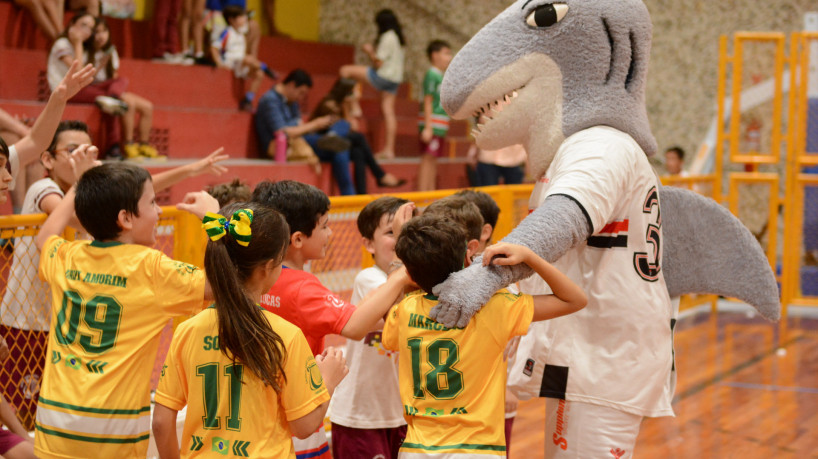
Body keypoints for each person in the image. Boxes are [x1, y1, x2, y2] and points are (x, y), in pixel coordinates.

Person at [31, 161, 220, 458]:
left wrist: (80, 185)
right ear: (125, 218)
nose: (159, 211)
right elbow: (220, 283)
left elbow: (45, 237)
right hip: (112, 437)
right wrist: (214, 218)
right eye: (153, 202)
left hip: (53, 430)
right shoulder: (151, 268)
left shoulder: (67, 255)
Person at [152, 201, 349, 457]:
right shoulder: (284, 335)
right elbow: (304, 426)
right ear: (267, 267)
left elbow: (160, 422)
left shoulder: (187, 330)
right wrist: (328, 381)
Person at [382, 214, 587, 457]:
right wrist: (531, 256)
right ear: (468, 260)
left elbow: (391, 330)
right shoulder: (495, 307)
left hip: (417, 449)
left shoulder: (405, 311)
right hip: (478, 449)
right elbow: (575, 299)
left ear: (412, 275)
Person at [251, 180, 413, 458]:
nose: (331, 233)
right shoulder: (302, 287)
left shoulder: (256, 276)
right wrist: (401, 272)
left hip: (258, 417)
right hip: (299, 420)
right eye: (325, 226)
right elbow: (356, 325)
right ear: (298, 239)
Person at [330, 197, 410, 459]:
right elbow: (396, 306)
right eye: (392, 232)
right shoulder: (369, 278)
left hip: (401, 414)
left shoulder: (415, 282)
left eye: (407, 231)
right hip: (360, 416)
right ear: (368, 244)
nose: (401, 240)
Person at [0, 60, 94, 212]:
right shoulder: (45, 189)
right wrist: (81, 182)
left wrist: (58, 99)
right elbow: (74, 219)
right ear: (48, 160)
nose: (9, 177)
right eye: (71, 150)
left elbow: (36, 141)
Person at [255, 70, 356, 195]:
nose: (301, 97)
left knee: (341, 140)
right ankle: (349, 195)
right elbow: (283, 132)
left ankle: (333, 136)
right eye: (301, 92)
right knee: (341, 147)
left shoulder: (291, 101)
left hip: (301, 140)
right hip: (286, 146)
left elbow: (299, 125)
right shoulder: (270, 100)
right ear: (292, 85)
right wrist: (315, 124)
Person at [47, 12, 131, 159]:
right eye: (83, 25)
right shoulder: (63, 44)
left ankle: (113, 99)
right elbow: (78, 73)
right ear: (72, 24)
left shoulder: (86, 48)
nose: (86, 31)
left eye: (90, 28)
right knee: (108, 104)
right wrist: (78, 43)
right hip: (66, 91)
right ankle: (113, 147)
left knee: (121, 82)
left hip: (81, 88)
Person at [87, 17, 163, 160]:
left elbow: (114, 77)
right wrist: (100, 65)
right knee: (129, 103)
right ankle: (128, 145)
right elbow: (87, 79)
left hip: (111, 89)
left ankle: (144, 145)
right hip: (96, 89)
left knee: (148, 106)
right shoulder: (87, 52)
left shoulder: (111, 52)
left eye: (104, 31)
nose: (101, 36)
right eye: (97, 32)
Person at [311, 78, 405, 194]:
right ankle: (380, 175)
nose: (357, 94)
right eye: (355, 91)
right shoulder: (329, 103)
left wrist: (352, 104)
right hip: (323, 143)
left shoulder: (345, 103)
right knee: (358, 137)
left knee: (358, 153)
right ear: (347, 92)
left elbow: (354, 126)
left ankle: (362, 195)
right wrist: (347, 106)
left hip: (340, 144)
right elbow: (346, 126)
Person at [340, 9, 405, 160]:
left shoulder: (388, 37)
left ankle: (353, 102)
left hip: (383, 76)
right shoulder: (398, 39)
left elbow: (378, 62)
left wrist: (369, 51)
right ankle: (389, 149)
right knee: (388, 112)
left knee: (345, 71)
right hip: (394, 79)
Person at [210, 6, 275, 112]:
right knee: (248, 59)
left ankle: (248, 99)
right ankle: (265, 67)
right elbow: (214, 47)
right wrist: (219, 63)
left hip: (242, 64)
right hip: (231, 61)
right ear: (231, 19)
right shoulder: (227, 32)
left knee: (259, 74)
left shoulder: (241, 34)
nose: (244, 19)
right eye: (241, 17)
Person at [417, 40, 453, 191]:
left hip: (440, 126)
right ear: (435, 55)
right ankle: (422, 194)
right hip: (433, 125)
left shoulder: (440, 76)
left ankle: (430, 195)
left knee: (433, 160)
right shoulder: (432, 75)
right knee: (427, 159)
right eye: (446, 53)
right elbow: (428, 100)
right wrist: (428, 127)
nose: (449, 58)